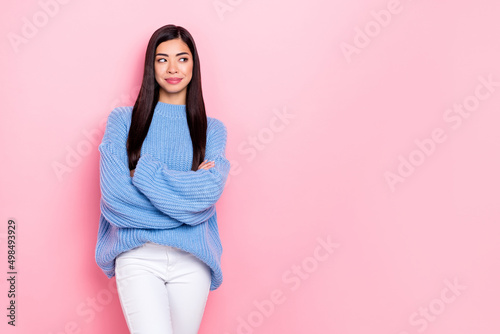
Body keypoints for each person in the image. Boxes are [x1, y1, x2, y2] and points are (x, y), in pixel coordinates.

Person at [94, 24, 231, 334]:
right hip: (139, 257)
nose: (172, 68)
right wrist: (184, 207)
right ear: (150, 66)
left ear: (194, 65)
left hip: (193, 261)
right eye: (162, 59)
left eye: (182, 58)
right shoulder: (123, 120)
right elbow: (115, 199)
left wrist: (142, 172)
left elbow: (207, 194)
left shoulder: (213, 129)